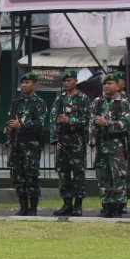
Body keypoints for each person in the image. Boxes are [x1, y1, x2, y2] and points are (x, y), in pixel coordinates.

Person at [5, 72, 48, 216]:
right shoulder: (16, 102)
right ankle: (23, 207)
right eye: (22, 83)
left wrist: (21, 125)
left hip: (31, 145)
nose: (24, 85)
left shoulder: (39, 103)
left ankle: (33, 209)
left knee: (32, 177)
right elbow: (10, 119)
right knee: (18, 177)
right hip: (16, 144)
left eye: (27, 83)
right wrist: (10, 127)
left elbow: (40, 124)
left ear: (34, 84)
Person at [49, 70, 91, 216]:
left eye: (70, 80)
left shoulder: (83, 99)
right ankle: (66, 204)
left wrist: (70, 120)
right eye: (65, 81)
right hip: (63, 143)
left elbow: (86, 120)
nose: (67, 83)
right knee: (63, 174)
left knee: (78, 174)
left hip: (77, 143)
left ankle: (78, 205)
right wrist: (56, 140)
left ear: (76, 81)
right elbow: (53, 120)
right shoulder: (59, 100)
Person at [90, 73, 130, 218]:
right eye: (105, 84)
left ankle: (118, 207)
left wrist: (106, 123)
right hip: (102, 144)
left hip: (117, 144)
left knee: (118, 176)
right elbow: (92, 123)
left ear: (117, 85)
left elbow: (125, 123)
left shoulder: (123, 102)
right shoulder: (97, 102)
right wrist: (92, 142)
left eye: (110, 83)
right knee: (103, 176)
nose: (107, 86)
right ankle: (106, 205)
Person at [115, 71, 130, 213]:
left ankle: (123, 201)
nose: (117, 83)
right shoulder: (105, 99)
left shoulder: (129, 100)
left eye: (119, 80)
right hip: (111, 140)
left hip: (125, 139)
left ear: (123, 83)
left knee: (124, 170)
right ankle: (112, 201)